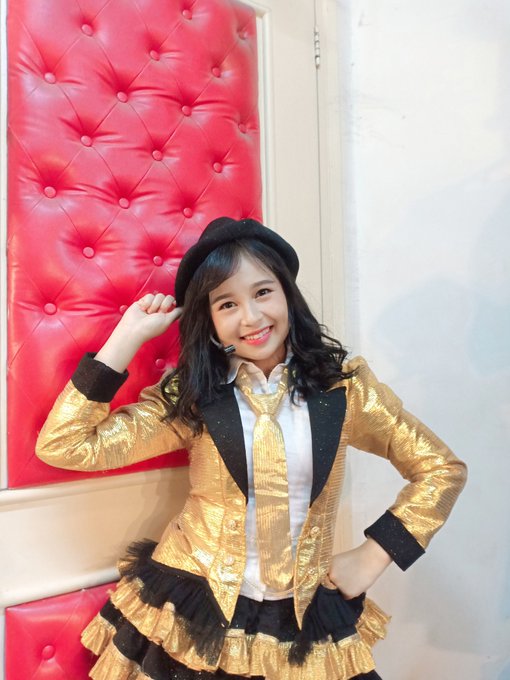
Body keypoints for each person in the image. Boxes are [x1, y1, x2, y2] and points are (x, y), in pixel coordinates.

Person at [36, 216, 467, 680]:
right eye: (227, 304)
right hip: (195, 609)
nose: (252, 318)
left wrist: (374, 555)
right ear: (211, 322)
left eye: (263, 292)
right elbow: (66, 445)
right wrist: (127, 338)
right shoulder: (194, 396)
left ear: (287, 295)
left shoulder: (345, 390)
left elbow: (441, 469)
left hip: (304, 614)